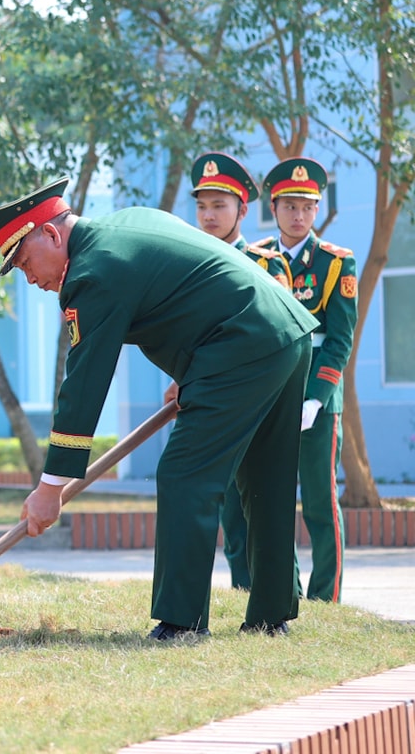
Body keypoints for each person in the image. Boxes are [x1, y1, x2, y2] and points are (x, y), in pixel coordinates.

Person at [0, 177, 316, 639]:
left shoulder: (92, 272)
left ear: (52, 235)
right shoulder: (128, 224)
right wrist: (190, 373)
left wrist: (51, 485)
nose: (31, 279)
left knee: (185, 475)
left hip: (240, 346)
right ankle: (271, 616)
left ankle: (182, 621)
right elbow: (192, 287)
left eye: (25, 261)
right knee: (264, 478)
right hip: (285, 331)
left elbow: (86, 381)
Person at [248, 156, 355, 603]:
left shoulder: (335, 262)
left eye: (307, 206)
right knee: (272, 501)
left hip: (318, 399)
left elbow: (340, 340)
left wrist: (314, 399)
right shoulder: (254, 258)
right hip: (271, 394)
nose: (298, 215)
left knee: (319, 502)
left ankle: (325, 595)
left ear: (316, 211)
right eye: (289, 206)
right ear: (274, 208)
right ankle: (282, 590)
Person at [188, 153, 291, 591]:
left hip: (262, 399)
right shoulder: (189, 264)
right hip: (214, 401)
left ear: (243, 210)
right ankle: (243, 590)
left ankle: (282, 596)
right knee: (230, 509)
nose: (210, 216)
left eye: (220, 206)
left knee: (266, 504)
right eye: (203, 207)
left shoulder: (267, 264)